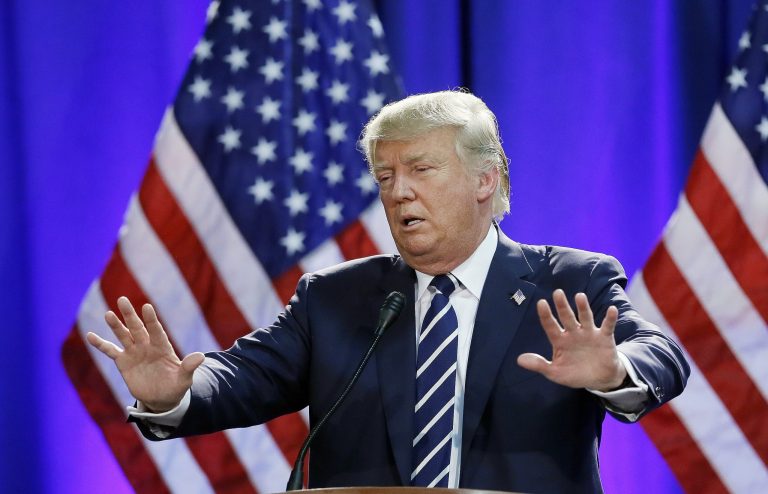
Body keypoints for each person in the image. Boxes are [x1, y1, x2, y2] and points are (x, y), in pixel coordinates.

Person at [87, 90, 689, 493]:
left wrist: (614, 371)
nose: (398, 192)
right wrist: (176, 393)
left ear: (486, 179)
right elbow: (244, 376)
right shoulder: (336, 297)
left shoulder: (569, 282)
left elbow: (661, 355)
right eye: (385, 176)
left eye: (421, 170)